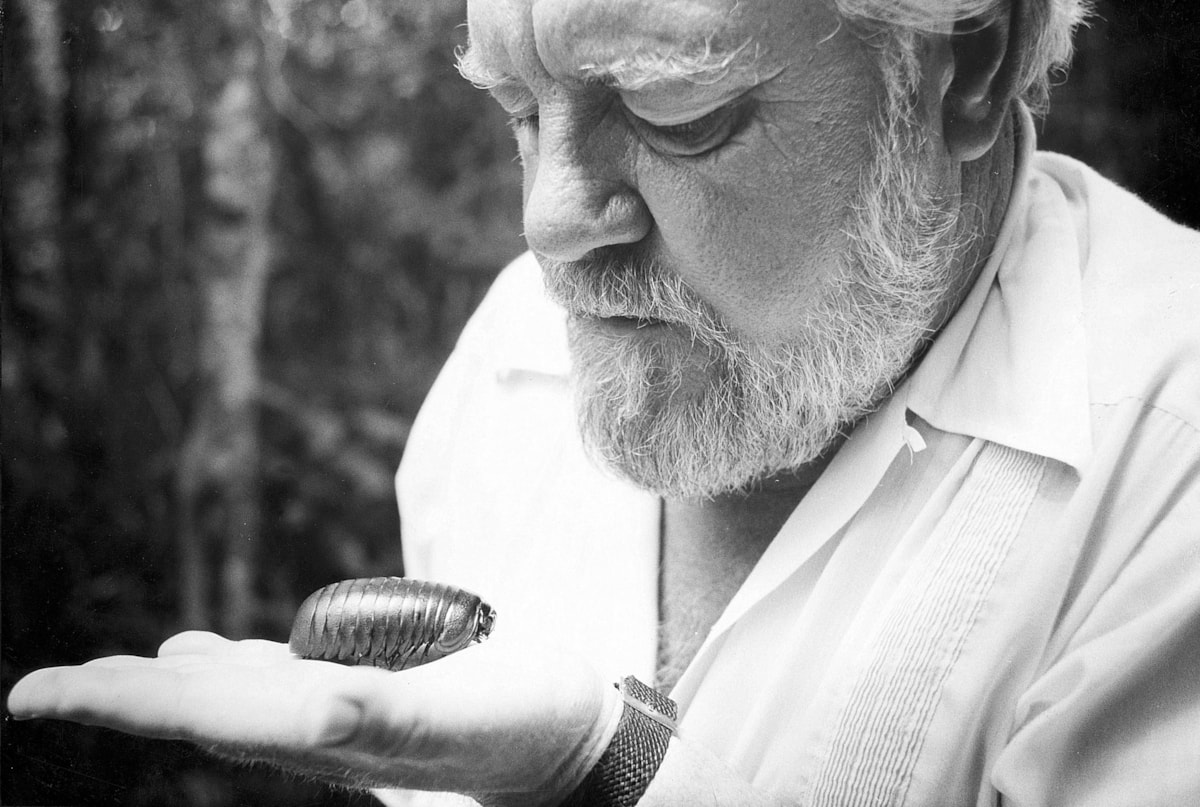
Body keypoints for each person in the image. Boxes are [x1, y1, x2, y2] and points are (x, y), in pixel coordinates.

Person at [8, 0, 1200, 804]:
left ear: (966, 64)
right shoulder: (509, 357)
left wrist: (603, 771)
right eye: (521, 116)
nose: (547, 227)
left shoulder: (1172, 450)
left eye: (679, 114)